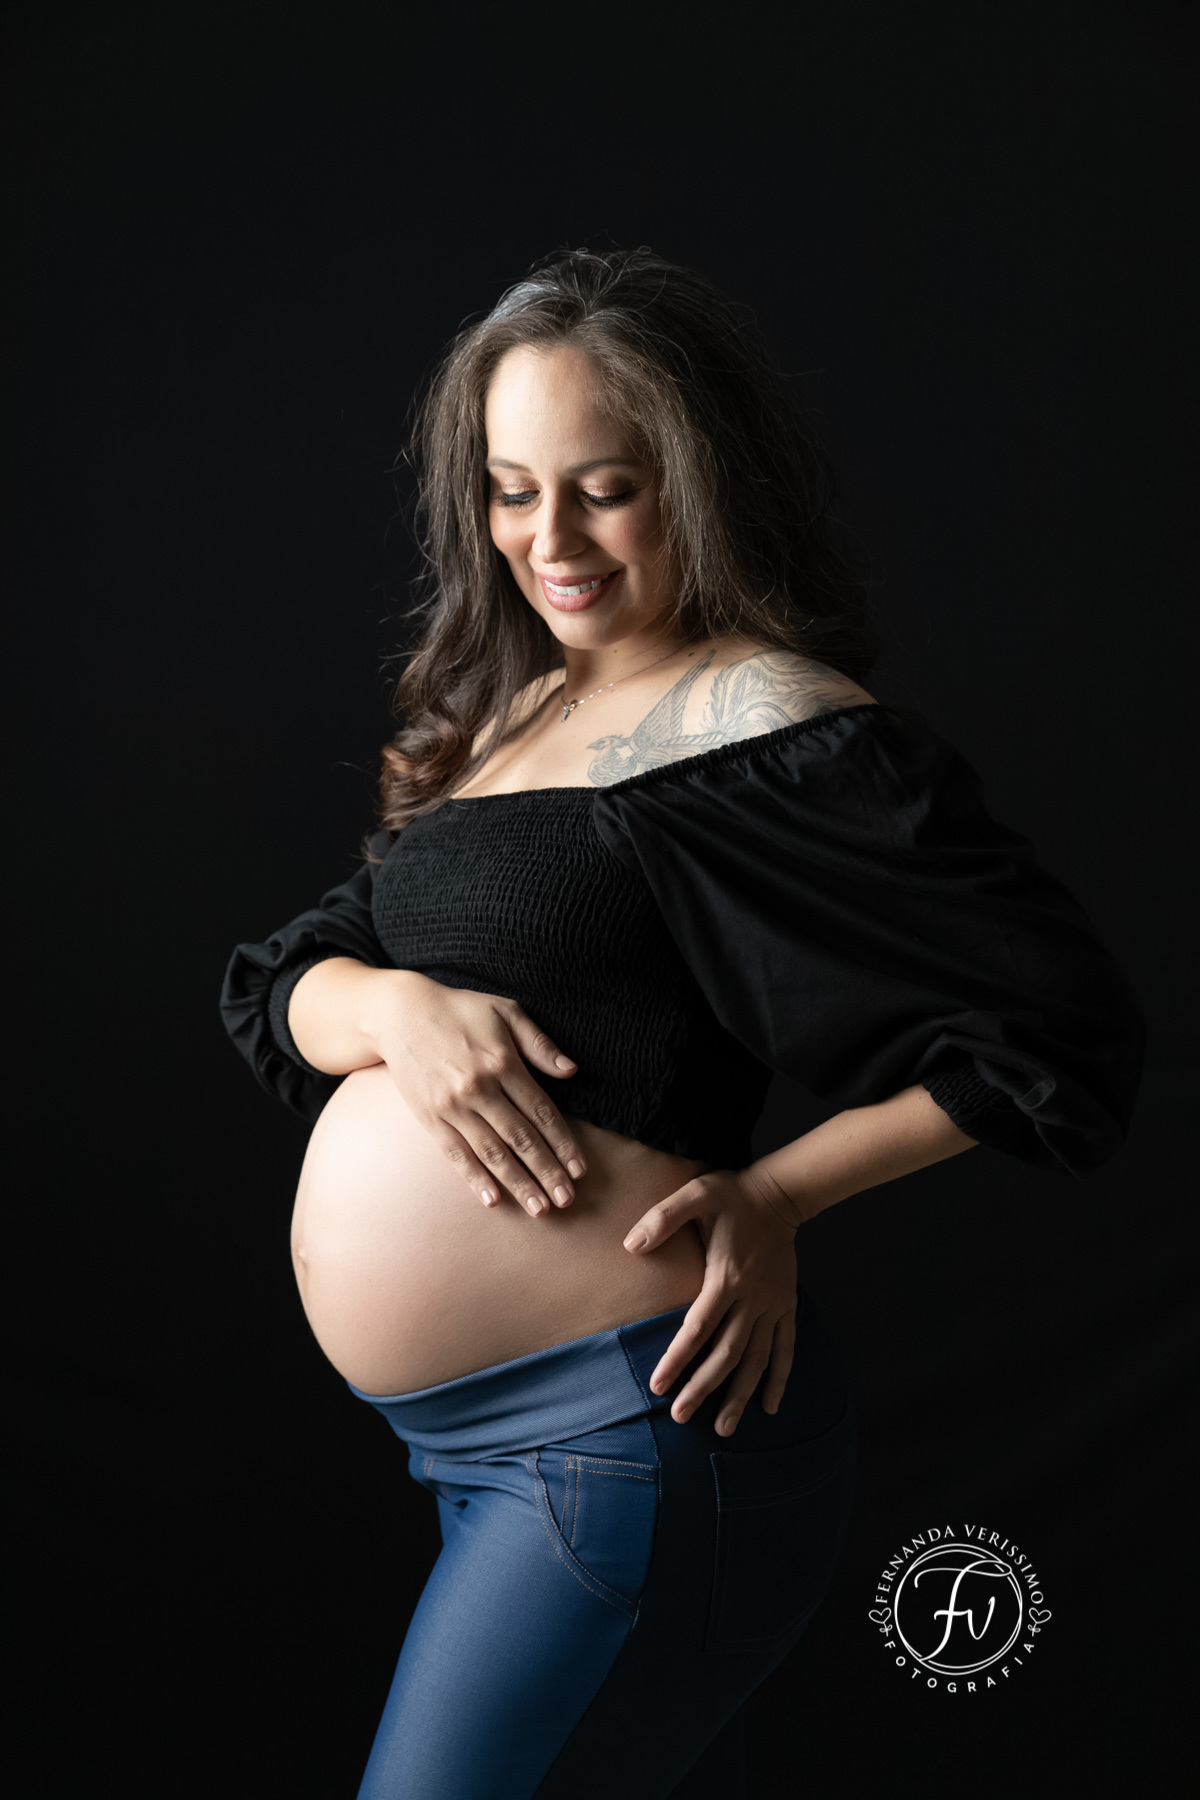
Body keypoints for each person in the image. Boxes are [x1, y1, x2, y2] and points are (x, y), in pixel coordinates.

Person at [220, 247, 1146, 1799]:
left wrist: (778, 1194)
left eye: (607, 490)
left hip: (630, 1434)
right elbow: (281, 983)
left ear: (698, 486)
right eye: (514, 492)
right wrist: (389, 1008)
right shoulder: (501, 715)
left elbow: (1058, 1025)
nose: (552, 542)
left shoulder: (764, 720)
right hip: (471, 1451)